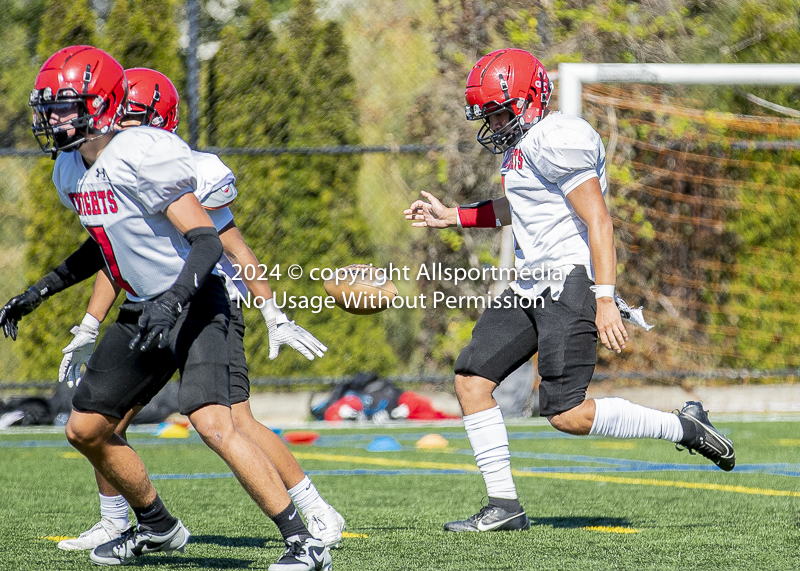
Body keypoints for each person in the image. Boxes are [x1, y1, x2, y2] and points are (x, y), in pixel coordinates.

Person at [0, 46, 331, 571]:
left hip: (198, 301)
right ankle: (157, 526)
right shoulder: (70, 169)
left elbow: (207, 242)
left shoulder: (141, 153)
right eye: (51, 107)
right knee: (85, 428)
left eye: (67, 106)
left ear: (104, 105)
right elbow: (104, 245)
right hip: (142, 307)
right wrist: (40, 291)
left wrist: (175, 299)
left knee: (214, 422)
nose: (54, 118)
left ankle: (304, 542)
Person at [404, 48, 735, 533]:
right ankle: (504, 506)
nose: (493, 122)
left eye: (499, 110)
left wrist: (605, 298)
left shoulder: (558, 136)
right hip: (530, 282)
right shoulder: (525, 145)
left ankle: (685, 425)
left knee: (567, 414)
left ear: (532, 99)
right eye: (489, 113)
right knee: (472, 379)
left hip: (570, 281)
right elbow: (518, 206)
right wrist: (454, 215)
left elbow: (598, 219)